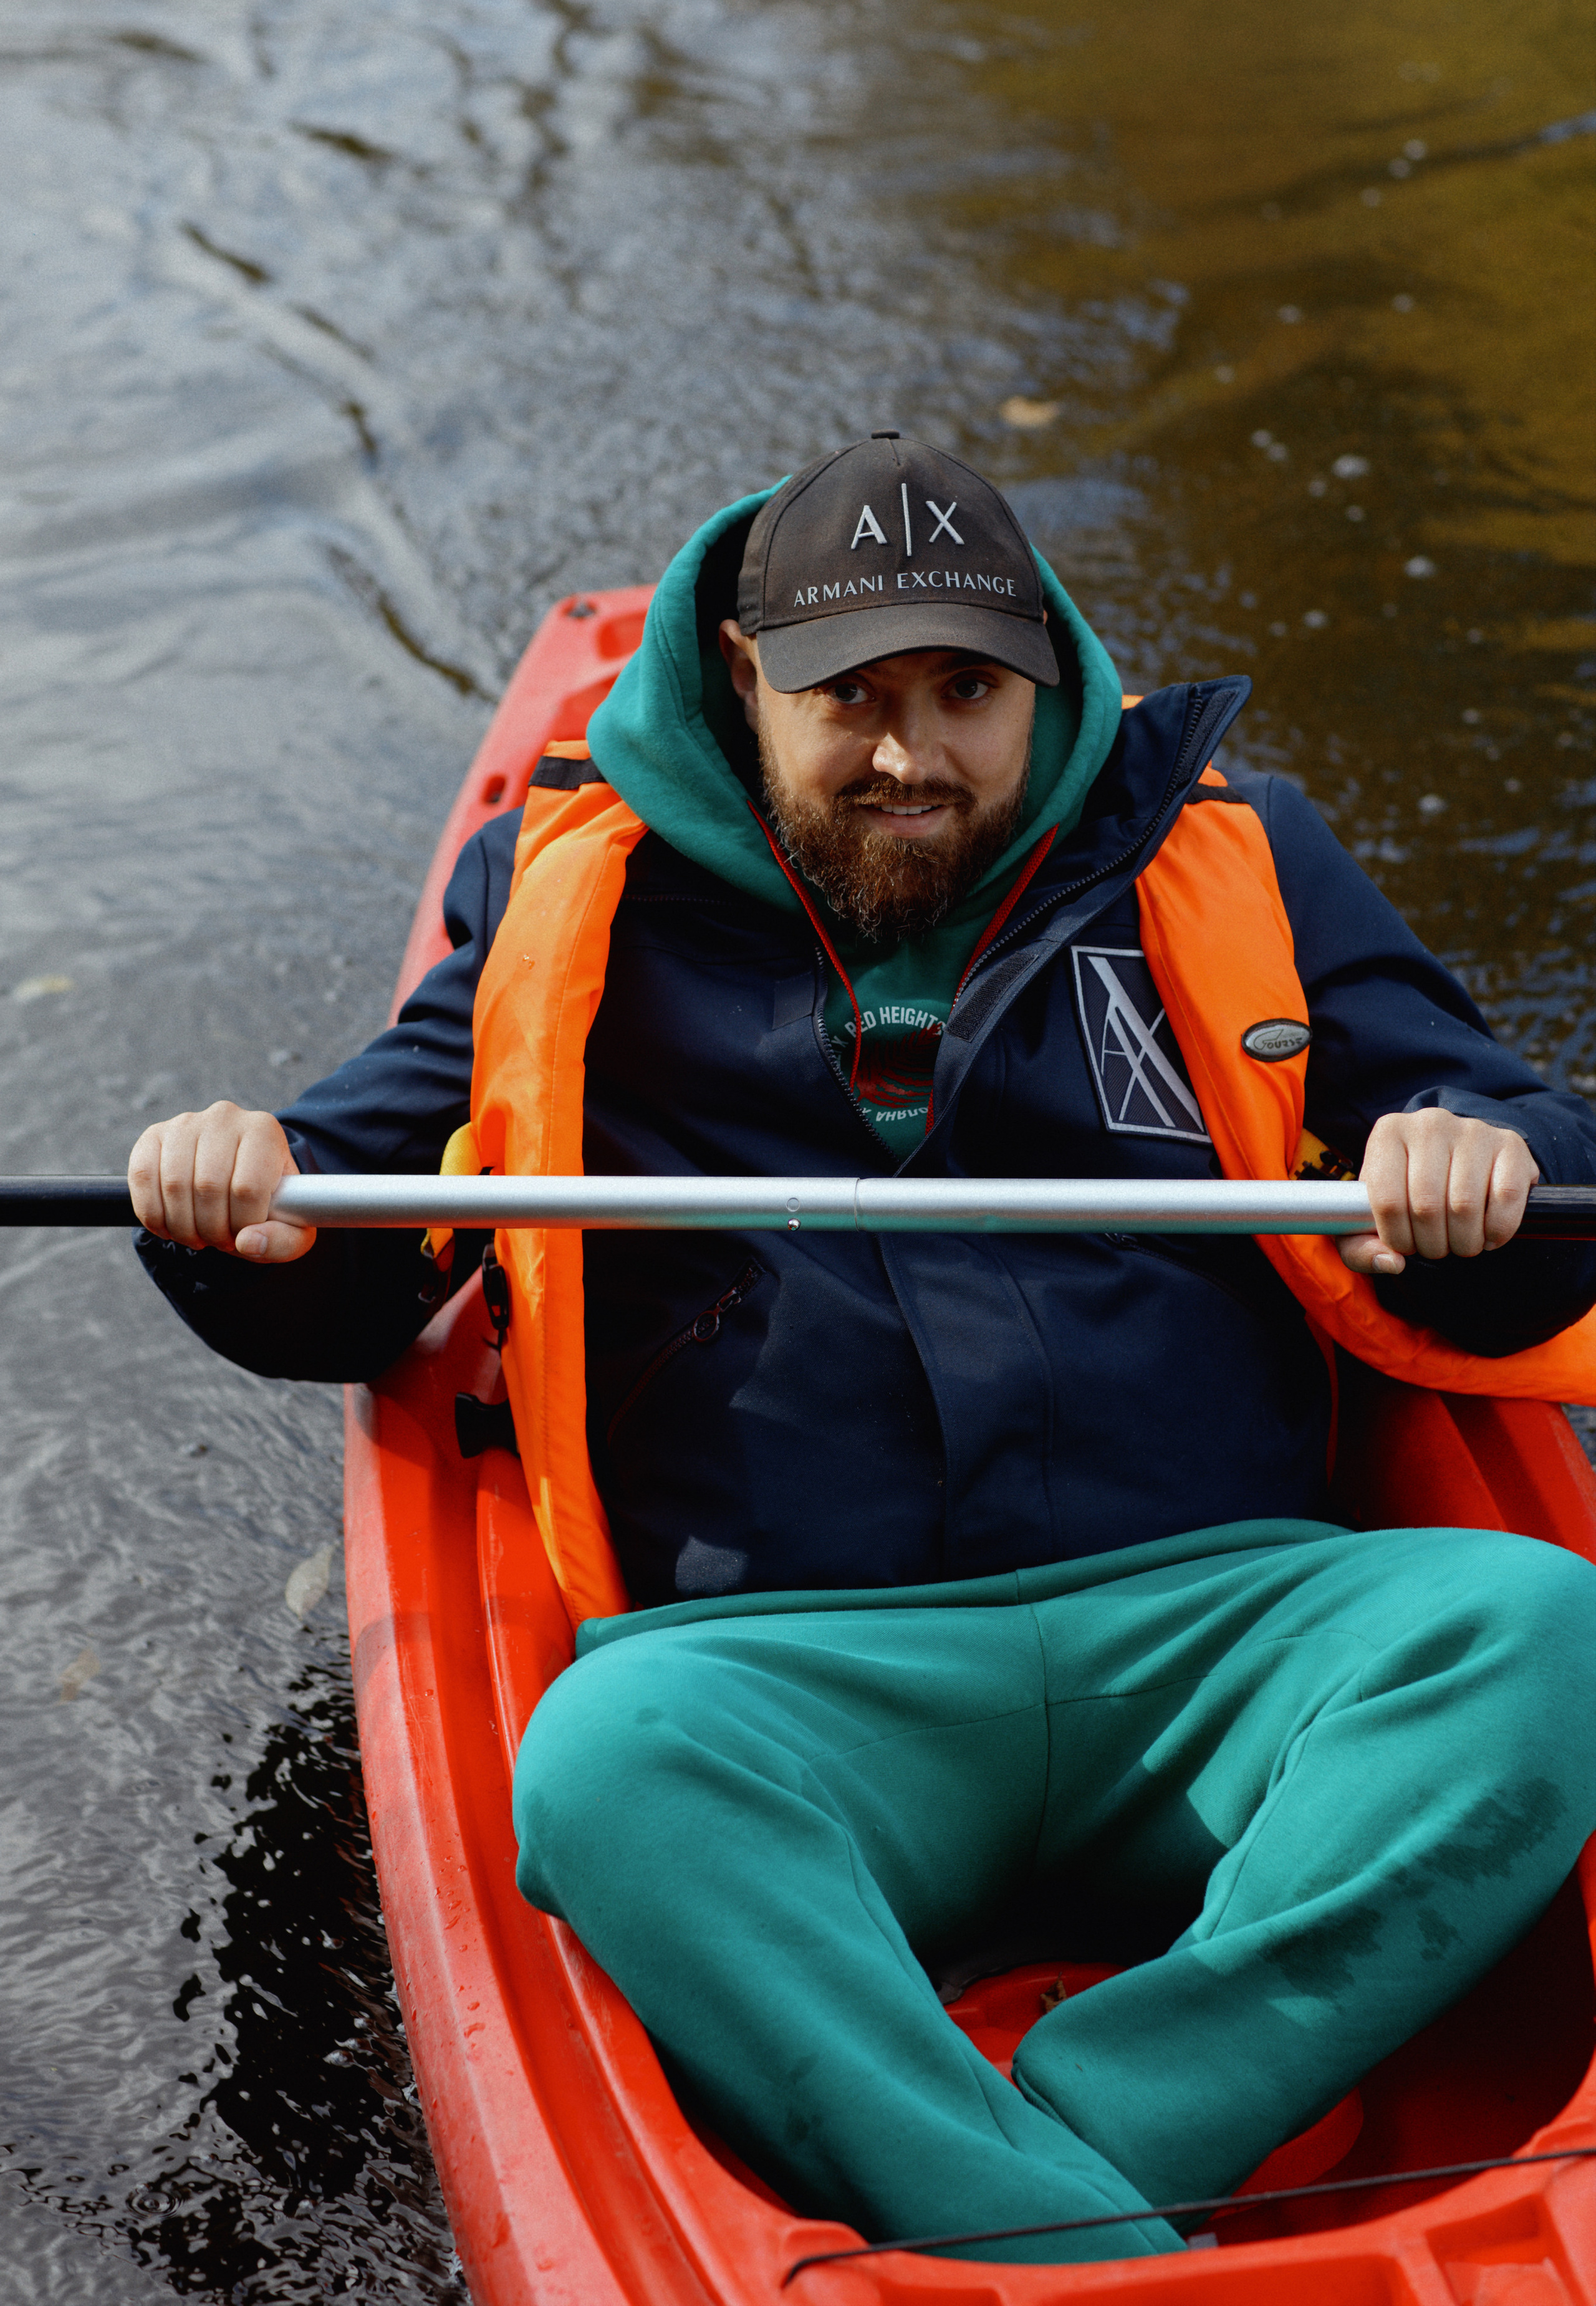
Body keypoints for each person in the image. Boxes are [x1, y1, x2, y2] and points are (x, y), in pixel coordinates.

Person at [131, 435, 1596, 2264]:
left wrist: (1490, 1161)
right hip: (793, 1681)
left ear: (1042, 680)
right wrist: (245, 1210)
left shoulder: (1225, 847)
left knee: (1543, 1633)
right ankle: (1099, 2248)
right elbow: (349, 1238)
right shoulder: (566, 890)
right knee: (602, 1761)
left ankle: (1066, 2152)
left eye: (968, 694)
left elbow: (1519, 1135)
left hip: (1217, 1636)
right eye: (855, 700)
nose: (914, 756)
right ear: (749, 684)